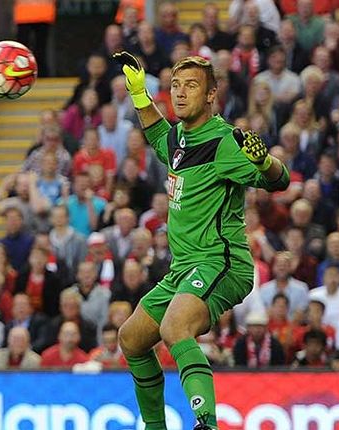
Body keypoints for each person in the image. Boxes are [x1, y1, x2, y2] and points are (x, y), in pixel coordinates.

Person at [113, 51, 289, 430]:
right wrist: (141, 96)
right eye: (175, 86)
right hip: (184, 269)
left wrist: (263, 163)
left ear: (211, 95)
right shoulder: (179, 136)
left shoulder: (224, 142)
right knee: (131, 339)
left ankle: (206, 423)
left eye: (191, 86)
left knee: (174, 328)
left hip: (222, 263)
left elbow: (280, 181)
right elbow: (160, 137)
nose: (179, 93)